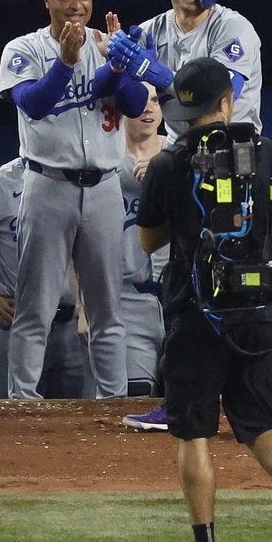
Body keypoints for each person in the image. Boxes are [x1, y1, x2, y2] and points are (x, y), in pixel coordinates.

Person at [136, 58, 272, 542]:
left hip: (196, 314)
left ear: (185, 108)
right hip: (263, 313)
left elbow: (148, 239)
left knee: (194, 432)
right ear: (226, 102)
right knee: (260, 423)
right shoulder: (266, 153)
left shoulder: (168, 161)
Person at [0, 0, 151, 399]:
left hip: (104, 187)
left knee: (107, 308)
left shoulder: (108, 42)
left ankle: (112, 400)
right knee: (36, 307)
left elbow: (137, 103)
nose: (76, 4)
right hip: (48, 185)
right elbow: (35, 104)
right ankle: (22, 400)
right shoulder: (22, 49)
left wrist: (119, 67)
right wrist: (65, 63)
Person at [0, 156, 89, 399]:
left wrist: (86, 307)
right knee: (14, 424)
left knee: (82, 425)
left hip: (72, 328)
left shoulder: (84, 182)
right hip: (17, 321)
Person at [139, 0, 264, 131]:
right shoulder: (150, 31)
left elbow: (222, 96)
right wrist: (114, 65)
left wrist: (163, 78)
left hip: (232, 143)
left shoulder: (233, 27)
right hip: (180, 148)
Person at [120, 84, 167, 394]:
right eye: (140, 100)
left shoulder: (183, 153)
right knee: (135, 400)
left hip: (182, 296)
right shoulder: (102, 161)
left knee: (194, 403)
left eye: (155, 100)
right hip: (127, 300)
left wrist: (165, 176)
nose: (149, 109)